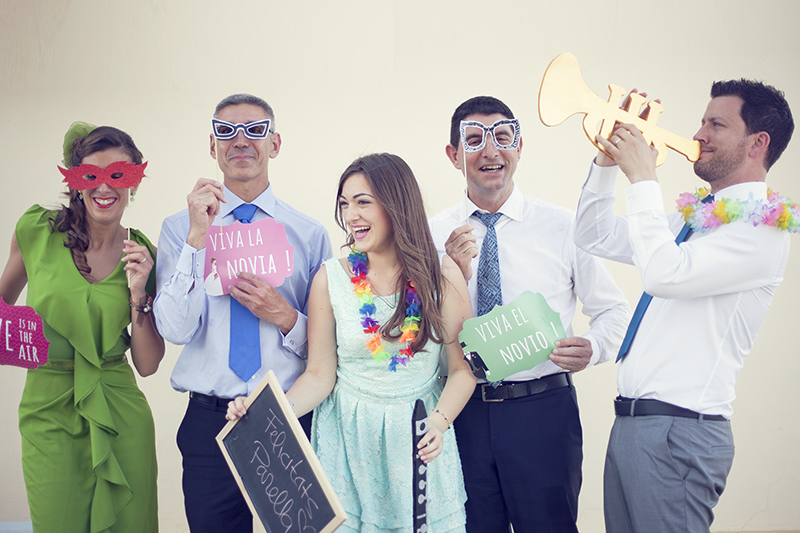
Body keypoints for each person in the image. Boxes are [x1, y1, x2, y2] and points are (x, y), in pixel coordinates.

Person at [574, 80, 795, 533]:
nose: (698, 134)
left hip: (680, 435)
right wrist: (607, 159)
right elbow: (591, 235)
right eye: (701, 121)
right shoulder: (697, 217)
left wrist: (643, 179)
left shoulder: (763, 229)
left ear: (758, 143)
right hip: (634, 427)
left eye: (716, 124)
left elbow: (664, 273)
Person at [227, 153, 477, 532]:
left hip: (418, 441)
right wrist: (267, 414)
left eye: (363, 202)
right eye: (345, 204)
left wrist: (439, 424)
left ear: (396, 204)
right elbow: (319, 375)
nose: (351, 216)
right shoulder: (331, 278)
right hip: (347, 445)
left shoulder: (442, 275)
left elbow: (463, 370)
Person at [428, 96, 631, 532]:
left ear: (520, 148)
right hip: (460, 413)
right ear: (453, 155)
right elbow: (417, 332)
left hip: (543, 411)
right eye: (473, 140)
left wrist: (593, 347)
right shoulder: (430, 233)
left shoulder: (566, 226)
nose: (490, 150)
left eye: (503, 136)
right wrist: (451, 275)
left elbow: (614, 310)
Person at [154, 94, 332, 533]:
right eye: (226, 130)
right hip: (210, 423)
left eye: (254, 130)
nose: (240, 141)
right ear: (211, 145)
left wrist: (285, 316)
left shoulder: (309, 235)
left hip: (289, 416)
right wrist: (199, 237)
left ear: (275, 143)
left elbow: (331, 346)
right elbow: (174, 328)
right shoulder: (179, 229)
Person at [0, 122, 164, 532]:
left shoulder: (143, 254)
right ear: (74, 181)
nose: (104, 187)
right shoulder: (36, 231)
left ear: (134, 183)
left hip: (119, 410)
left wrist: (139, 292)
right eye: (91, 175)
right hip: (48, 407)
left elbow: (147, 365)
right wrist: (28, 342)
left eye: (118, 175)